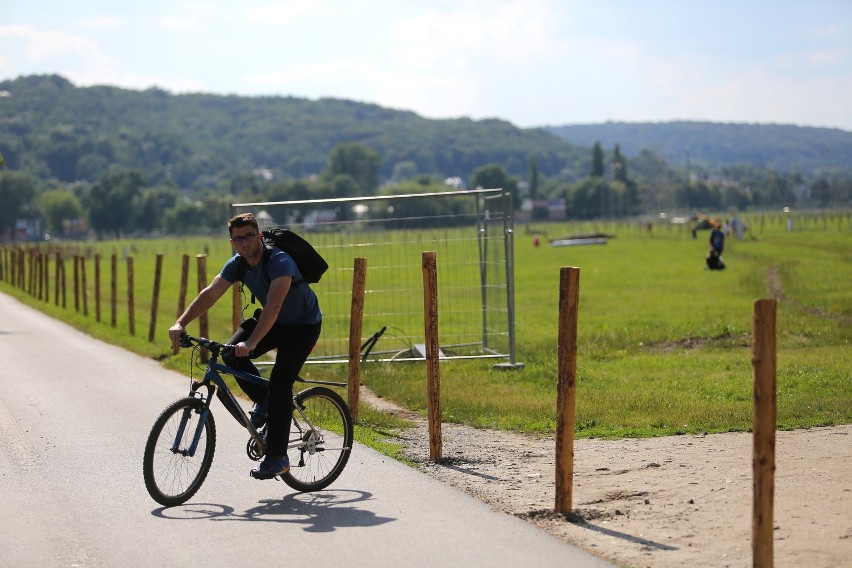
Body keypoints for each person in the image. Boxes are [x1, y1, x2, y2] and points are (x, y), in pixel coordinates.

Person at [168, 213, 322, 480]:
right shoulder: (238, 264)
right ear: (232, 242)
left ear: (259, 236)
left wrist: (251, 342)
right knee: (229, 353)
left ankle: (278, 457)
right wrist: (180, 323)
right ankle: (266, 402)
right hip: (273, 322)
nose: (245, 243)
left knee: (280, 384)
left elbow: (273, 306)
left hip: (302, 326)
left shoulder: (279, 261)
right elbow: (211, 293)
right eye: (238, 238)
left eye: (250, 236)